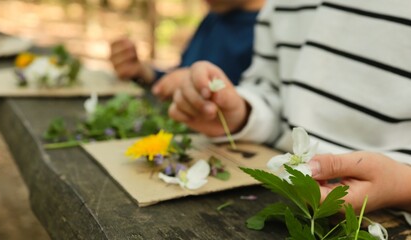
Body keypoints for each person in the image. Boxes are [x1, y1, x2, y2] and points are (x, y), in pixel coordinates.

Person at [168, 0, 411, 217]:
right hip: (279, 187)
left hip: (391, 214)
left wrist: (403, 187)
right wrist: (242, 114)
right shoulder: (280, 5)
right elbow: (272, 90)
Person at [110, 0, 266, 99]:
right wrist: (144, 72)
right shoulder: (214, 18)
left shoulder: (269, 31)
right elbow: (183, 72)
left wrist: (199, 87)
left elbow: (262, 107)